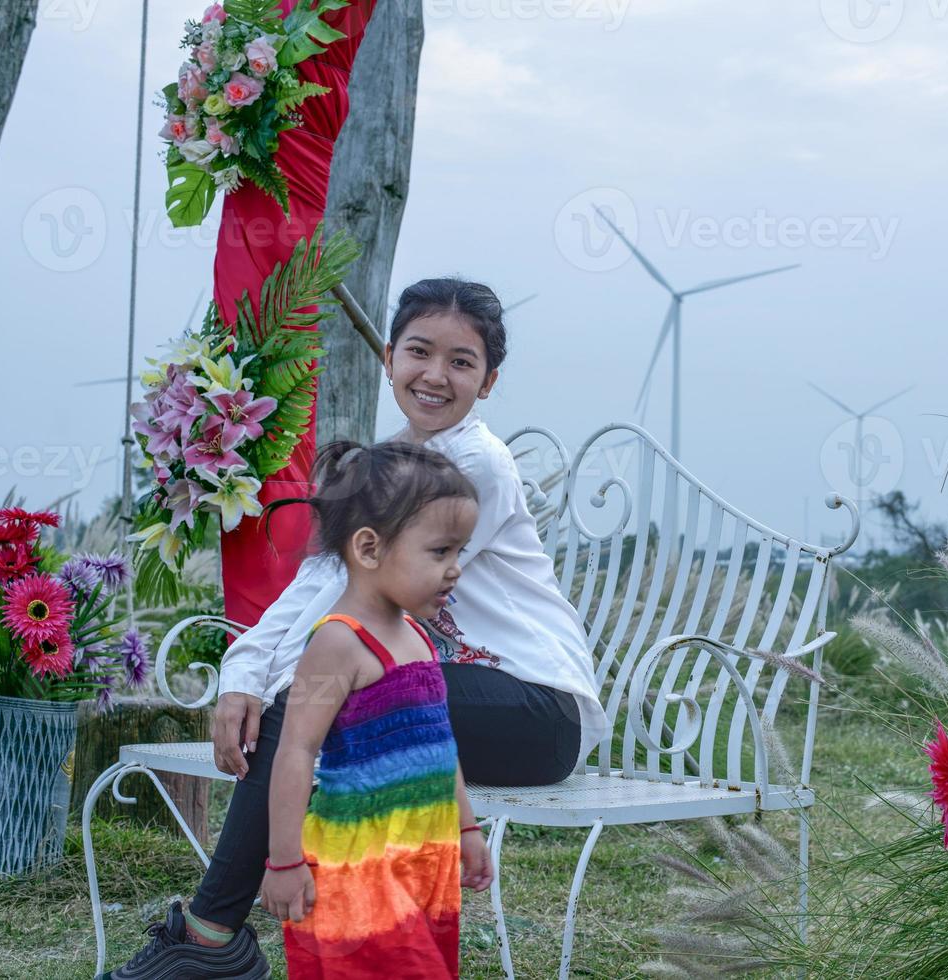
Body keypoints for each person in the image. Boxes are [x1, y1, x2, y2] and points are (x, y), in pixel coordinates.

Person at [101, 280, 605, 979]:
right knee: (307, 701)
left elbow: (353, 598)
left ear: (488, 382)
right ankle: (231, 933)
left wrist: (275, 687)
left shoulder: (475, 465)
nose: (435, 376)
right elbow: (319, 581)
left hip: (533, 708)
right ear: (388, 358)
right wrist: (245, 675)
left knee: (313, 702)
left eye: (461, 362)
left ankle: (211, 933)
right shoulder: (390, 461)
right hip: (436, 695)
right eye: (419, 352)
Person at [259, 440, 492, 978]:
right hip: (362, 864)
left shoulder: (417, 634)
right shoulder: (338, 644)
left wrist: (466, 828)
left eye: (459, 552)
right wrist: (284, 860)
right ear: (368, 548)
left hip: (422, 856)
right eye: (440, 552)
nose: (456, 569)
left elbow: (438, 744)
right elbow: (295, 751)